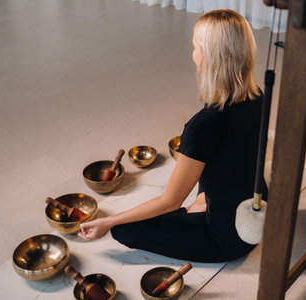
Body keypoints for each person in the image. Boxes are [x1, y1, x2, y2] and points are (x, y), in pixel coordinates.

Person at [78, 9, 267, 263]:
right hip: (255, 211)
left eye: (195, 46)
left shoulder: (203, 125)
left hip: (228, 239)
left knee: (125, 230)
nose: (193, 54)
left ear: (210, 57)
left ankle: (196, 213)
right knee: (216, 156)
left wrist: (110, 220)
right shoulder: (258, 96)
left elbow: (170, 201)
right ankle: (201, 206)